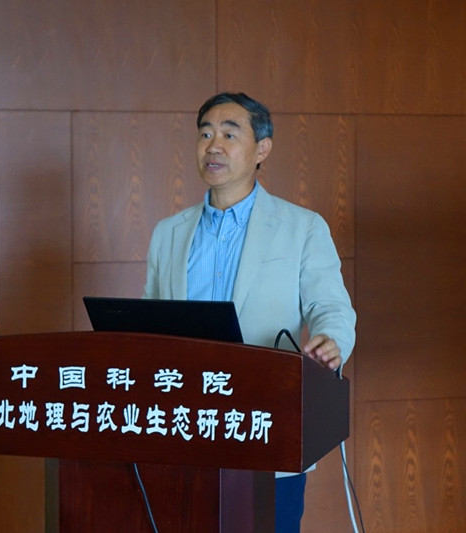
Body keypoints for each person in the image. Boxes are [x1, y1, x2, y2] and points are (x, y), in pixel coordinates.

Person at [142, 92, 356, 532]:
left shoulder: (302, 227)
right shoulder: (168, 234)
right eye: (205, 134)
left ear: (262, 149)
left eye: (229, 134)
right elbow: (148, 325)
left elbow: (330, 306)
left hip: (267, 423)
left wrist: (331, 342)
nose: (213, 146)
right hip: (187, 429)